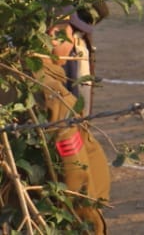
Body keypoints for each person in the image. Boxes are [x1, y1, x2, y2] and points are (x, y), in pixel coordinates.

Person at [0, 15, 112, 233]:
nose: (73, 45)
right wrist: (90, 224)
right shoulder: (51, 94)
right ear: (52, 35)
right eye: (72, 35)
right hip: (46, 218)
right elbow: (73, 174)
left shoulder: (8, 76)